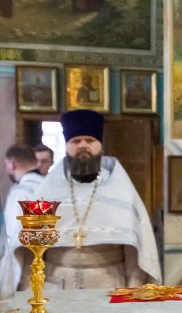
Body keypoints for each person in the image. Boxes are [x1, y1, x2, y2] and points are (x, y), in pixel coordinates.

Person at [21, 110, 161, 290]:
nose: (83, 145)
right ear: (66, 147)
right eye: (76, 141)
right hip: (57, 284)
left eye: (90, 140)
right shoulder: (47, 191)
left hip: (108, 282)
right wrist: (29, 290)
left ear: (100, 146)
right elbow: (31, 249)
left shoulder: (121, 190)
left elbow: (133, 251)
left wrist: (132, 291)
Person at [0, 143, 45, 293]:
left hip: (24, 269)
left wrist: (7, 284)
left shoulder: (20, 192)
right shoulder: (48, 187)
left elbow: (15, 238)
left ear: (12, 164)